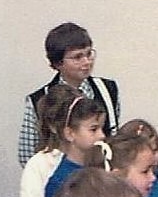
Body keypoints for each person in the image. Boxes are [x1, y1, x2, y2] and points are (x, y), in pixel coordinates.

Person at [18, 22, 119, 167]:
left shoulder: (108, 90)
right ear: (58, 63)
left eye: (89, 53)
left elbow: (113, 136)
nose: (87, 62)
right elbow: (26, 155)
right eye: (77, 57)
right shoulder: (39, 99)